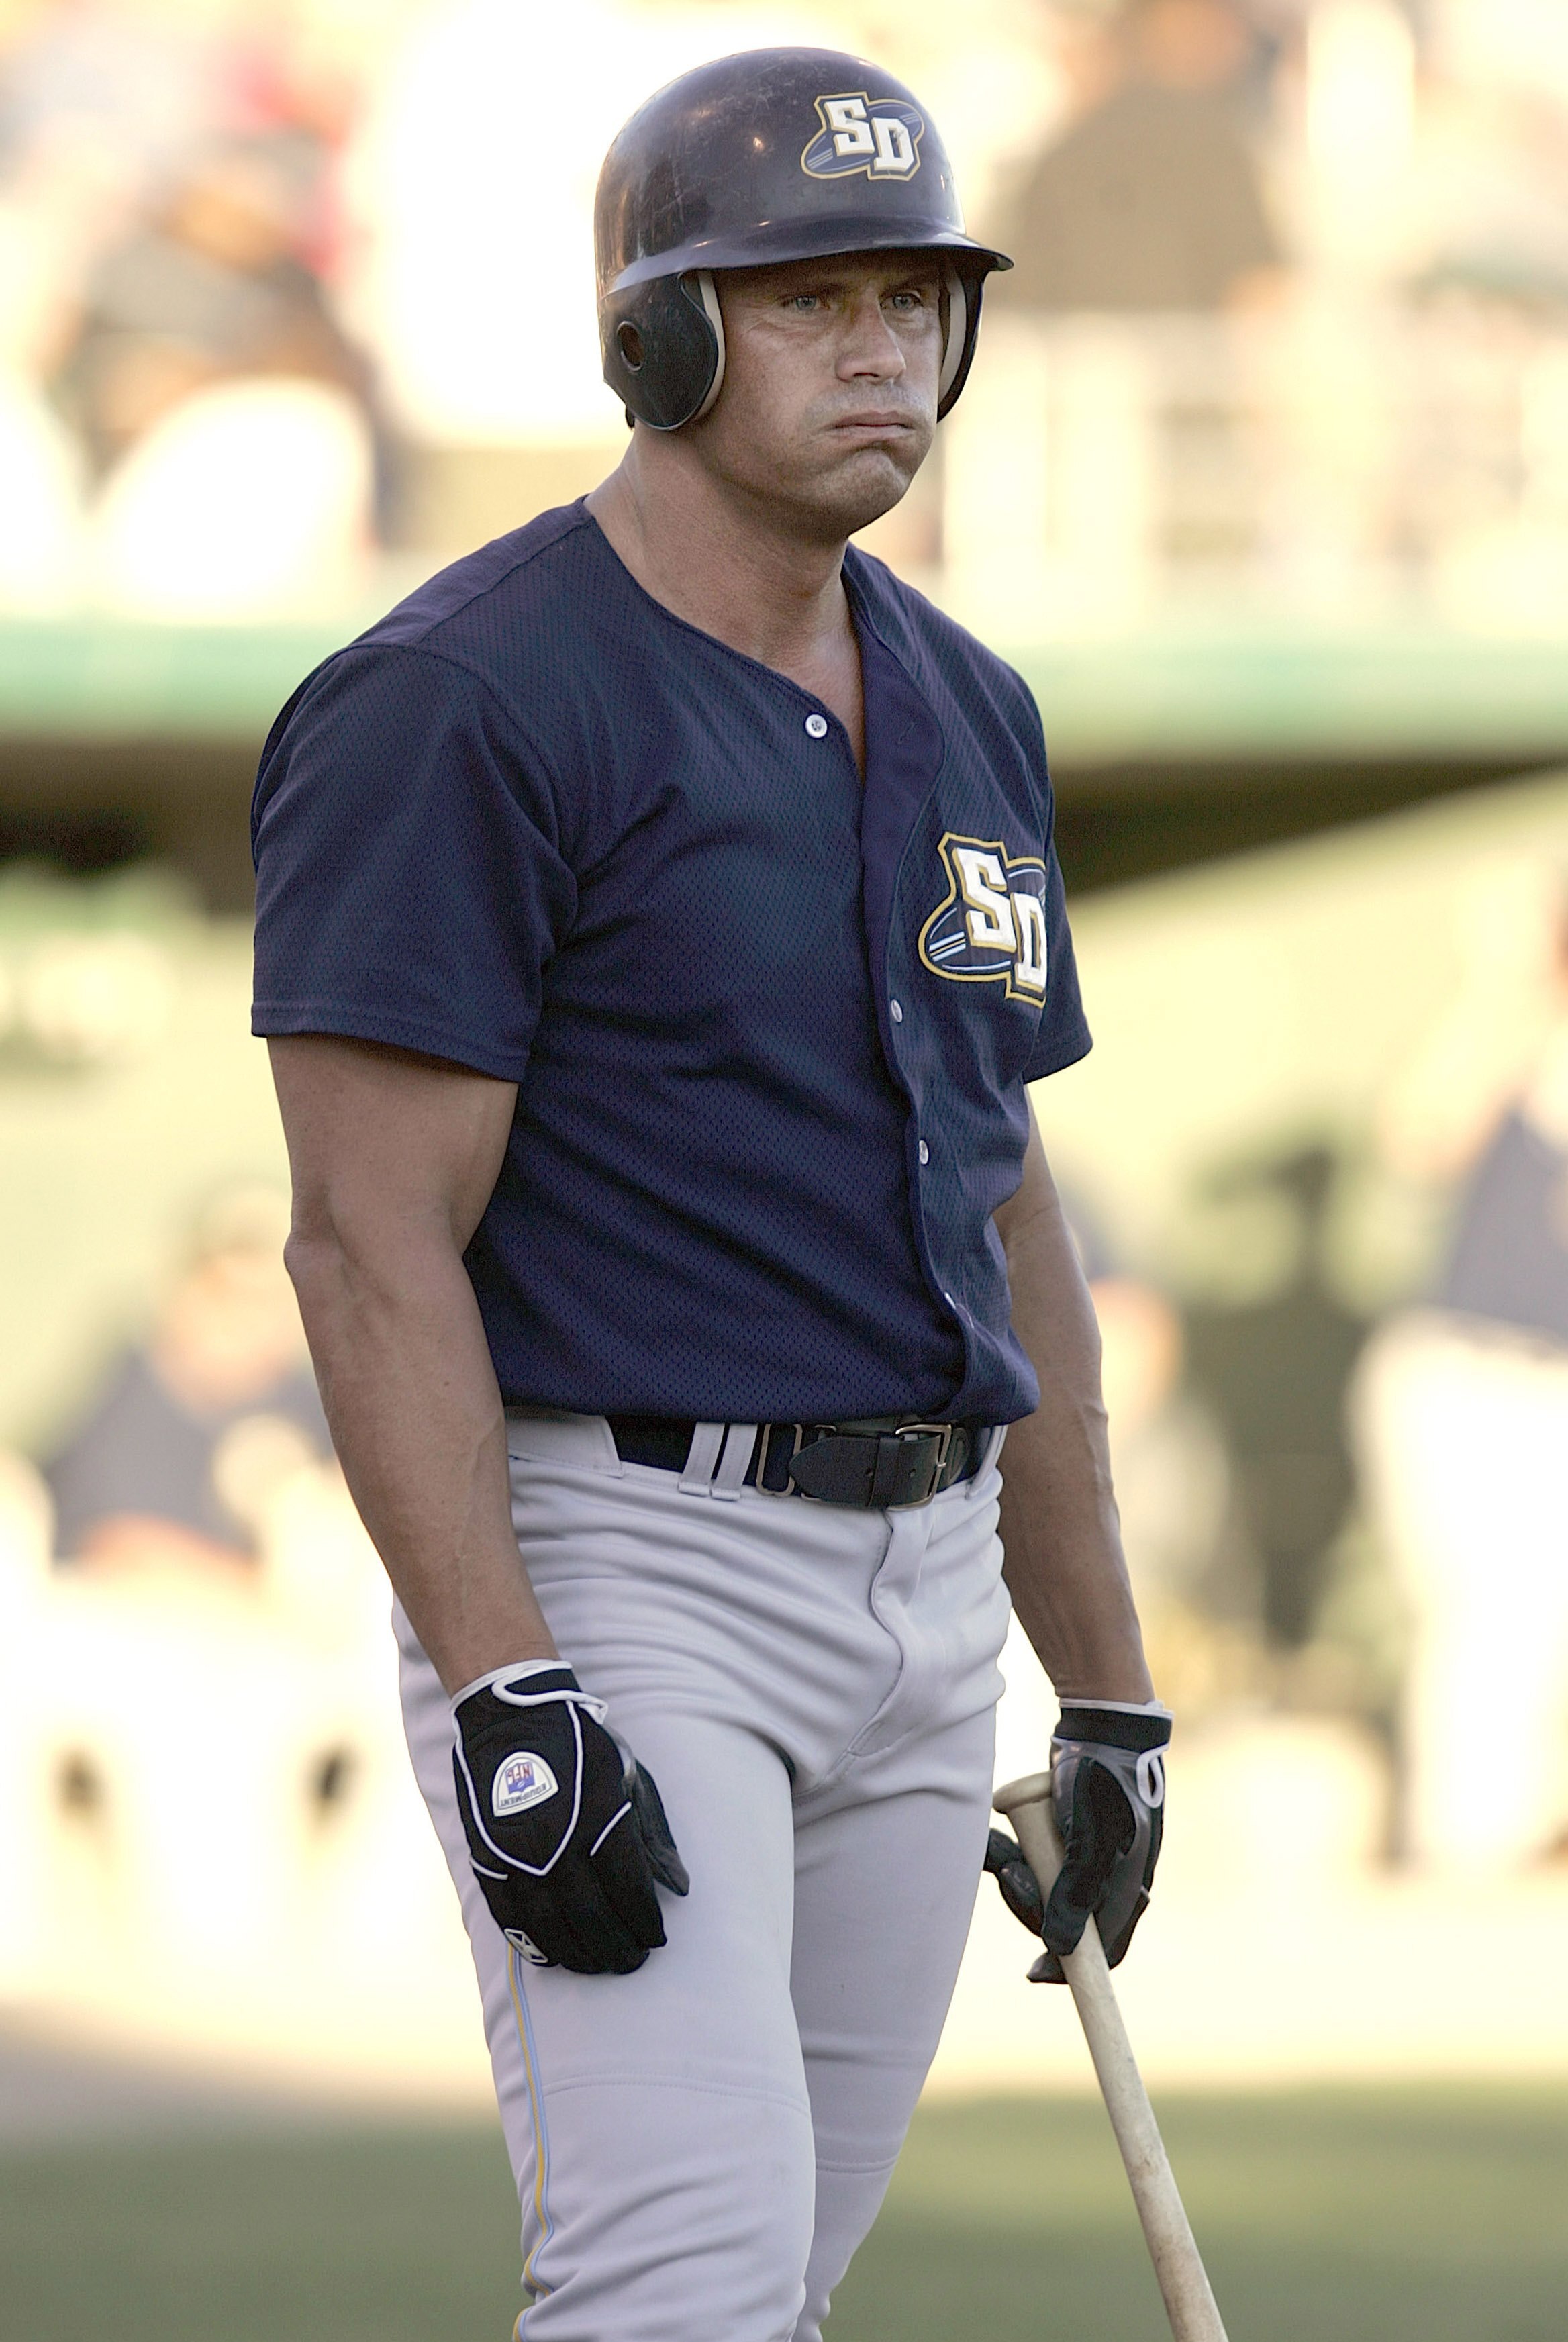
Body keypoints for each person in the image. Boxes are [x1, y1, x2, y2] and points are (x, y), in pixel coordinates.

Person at [252, 48, 1166, 2341]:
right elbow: (368, 1240)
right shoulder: (458, 695)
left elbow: (1007, 1211)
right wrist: (506, 1686)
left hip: (927, 1576)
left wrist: (1110, 1693)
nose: (882, 349)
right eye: (810, 298)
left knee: (772, 2283)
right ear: (655, 336)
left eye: (915, 299)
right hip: (628, 1557)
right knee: (679, 2279)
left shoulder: (969, 701)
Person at [42, 1183, 330, 1572]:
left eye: (272, 1298)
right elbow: (119, 1548)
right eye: (230, 1295)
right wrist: (267, 1587)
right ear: (185, 1292)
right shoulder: (134, 1399)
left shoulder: (306, 1402)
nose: (250, 1322)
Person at [996, 0, 1281, 314]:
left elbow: (1017, 289)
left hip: (1079, 355)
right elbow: (1260, 291)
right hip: (1186, 357)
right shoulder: (1212, 145)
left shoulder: (1067, 150)